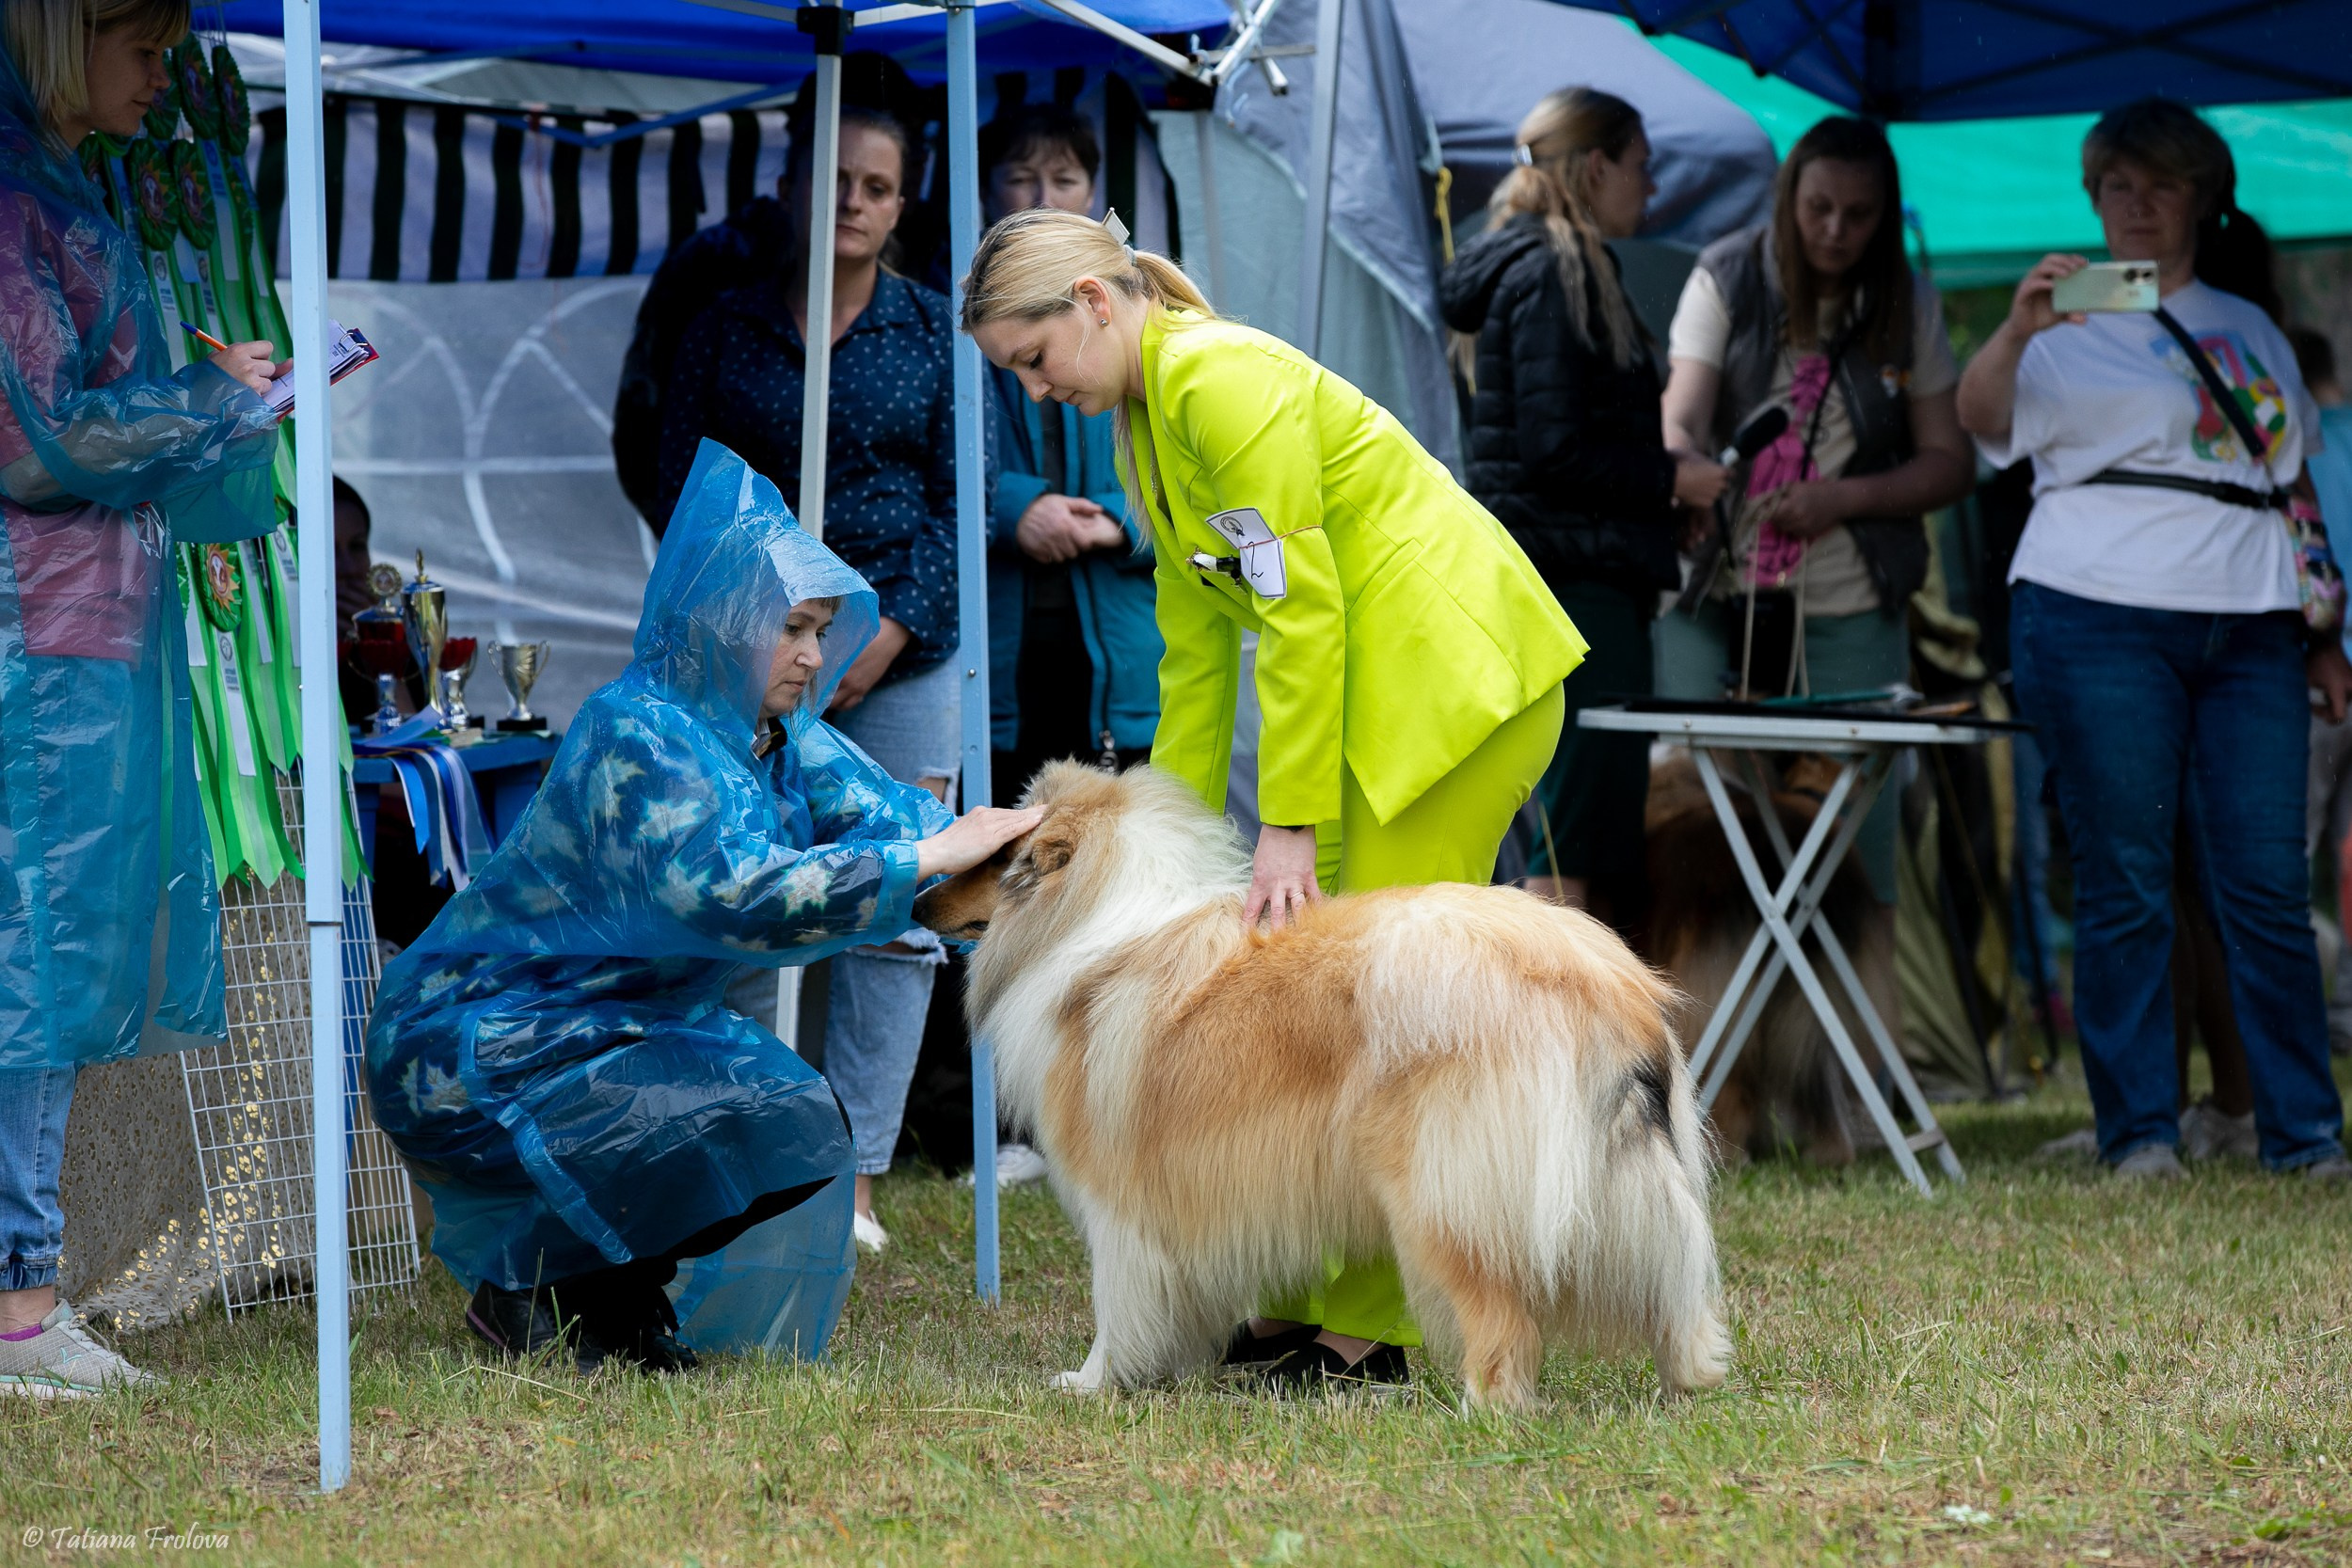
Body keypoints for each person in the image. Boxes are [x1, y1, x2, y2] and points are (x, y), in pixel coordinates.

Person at [961, 208, 1586, 1394]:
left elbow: (1299, 612)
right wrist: (1165, 840)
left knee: (1373, 1012)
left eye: (1033, 361)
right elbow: (1194, 646)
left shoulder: (1214, 382)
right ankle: (1305, 1304)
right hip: (1369, 700)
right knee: (1307, 1006)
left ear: (1093, 303)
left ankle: (1365, 1337)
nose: (1037, 394)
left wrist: (1284, 824)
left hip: (1450, 695)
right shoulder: (1146, 419)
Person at [365, 442, 1040, 1373]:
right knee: (729, 1110)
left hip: (619, 1034)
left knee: (785, 1113)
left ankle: (608, 1296)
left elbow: (896, 817)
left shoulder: (773, 732)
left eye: (819, 631)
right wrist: (927, 857)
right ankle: (532, 1291)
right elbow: (729, 895)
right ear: (726, 623)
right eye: (794, 629)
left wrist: (1029, 860)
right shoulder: (634, 729)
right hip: (479, 1043)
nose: (813, 658)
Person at [1955, 97, 2352, 1180]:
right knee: (2125, 873)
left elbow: (2292, 483)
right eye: (2114, 186)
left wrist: (2324, 630)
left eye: (2160, 184)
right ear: (2090, 197)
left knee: (2266, 882)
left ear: (2202, 198)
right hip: (2094, 609)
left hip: (2254, 621)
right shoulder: (2059, 318)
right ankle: (2140, 1131)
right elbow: (1979, 422)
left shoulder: (2251, 322)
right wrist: (2011, 328)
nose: (2135, 205)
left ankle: (2303, 1135)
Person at [0, 0, 284, 1398]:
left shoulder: (56, 184)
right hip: (36, 645)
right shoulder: (10, 200)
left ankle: (25, 1295)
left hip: (74, 632)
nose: (163, 77)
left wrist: (203, 390)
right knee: (31, 972)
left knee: (41, 968)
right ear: (66, 36)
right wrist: (211, 403)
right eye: (143, 47)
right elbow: (40, 436)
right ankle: (18, 1304)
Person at [655, 91, 959, 1254]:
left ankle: (861, 1178)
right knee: (743, 895)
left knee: (899, 912)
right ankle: (755, 1157)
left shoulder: (931, 332)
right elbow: (674, 485)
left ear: (899, 204)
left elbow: (957, 506)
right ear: (791, 185)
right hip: (749, 652)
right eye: (834, 180)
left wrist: (885, 634)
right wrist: (751, 629)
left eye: (876, 188)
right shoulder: (724, 329)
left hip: (906, 648)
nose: (853, 203)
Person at [1659, 115, 1974, 914]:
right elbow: (1679, 417)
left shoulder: (1906, 300)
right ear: (1787, 198)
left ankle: (1843, 1038)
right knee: (1699, 822)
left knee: (1851, 846)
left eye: (1860, 214)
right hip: (1716, 596)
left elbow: (1950, 461)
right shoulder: (1728, 274)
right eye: (1819, 207)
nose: (1836, 230)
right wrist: (1686, 470)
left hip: (1848, 599)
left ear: (1885, 213)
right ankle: (1706, 1030)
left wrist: (1845, 499)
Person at [1438, 87, 1725, 927]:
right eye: (1642, 167)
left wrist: (1656, 497)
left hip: (1569, 576)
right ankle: (1555, 1050)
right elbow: (1553, 450)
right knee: (1573, 841)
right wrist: (1672, 479)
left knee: (1578, 833)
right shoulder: (1556, 269)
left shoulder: (1541, 265)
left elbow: (1555, 444)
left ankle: (1567, 1046)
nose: (1653, 188)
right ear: (1596, 167)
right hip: (1575, 592)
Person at [2293, 325, 2352, 1056]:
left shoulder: (2293, 450)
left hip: (2313, 666)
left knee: (2291, 852)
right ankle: (2346, 1015)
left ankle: (2298, 1016)